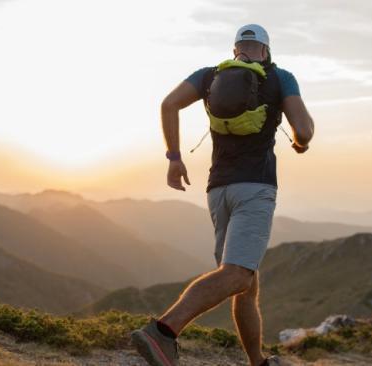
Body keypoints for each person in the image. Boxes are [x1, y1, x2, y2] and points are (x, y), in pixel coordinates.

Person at [130, 24, 314, 366]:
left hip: (218, 190)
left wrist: (174, 158)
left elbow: (168, 104)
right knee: (237, 275)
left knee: (245, 285)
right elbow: (302, 130)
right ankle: (163, 332)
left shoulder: (209, 76)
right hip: (255, 188)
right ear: (266, 50)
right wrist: (301, 143)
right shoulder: (280, 77)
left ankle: (257, 360)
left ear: (235, 50)